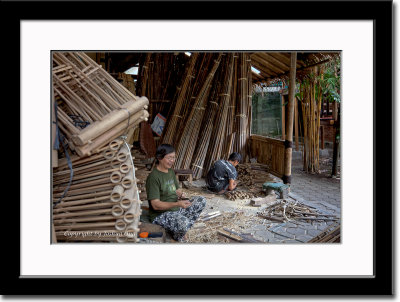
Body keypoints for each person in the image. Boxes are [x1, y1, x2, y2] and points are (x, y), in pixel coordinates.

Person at [145, 144, 206, 242]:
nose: (172, 160)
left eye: (173, 158)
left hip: (175, 209)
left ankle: (180, 229)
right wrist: (177, 203)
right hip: (160, 215)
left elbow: (175, 189)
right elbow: (155, 205)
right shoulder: (153, 177)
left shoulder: (170, 172)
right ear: (160, 158)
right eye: (169, 158)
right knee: (184, 223)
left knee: (201, 201)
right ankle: (179, 235)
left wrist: (181, 195)